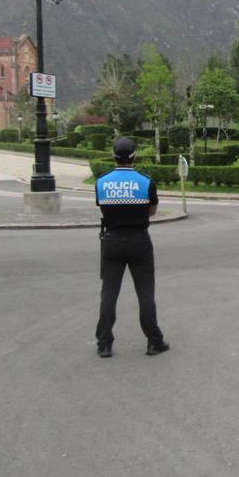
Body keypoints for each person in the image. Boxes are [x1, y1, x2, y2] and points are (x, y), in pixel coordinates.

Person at [94, 137, 169, 359]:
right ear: (134, 156)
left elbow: (103, 209)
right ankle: (154, 342)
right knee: (145, 294)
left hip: (112, 241)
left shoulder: (102, 182)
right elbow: (152, 212)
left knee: (109, 293)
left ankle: (104, 344)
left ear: (114, 156)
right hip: (139, 242)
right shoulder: (145, 181)